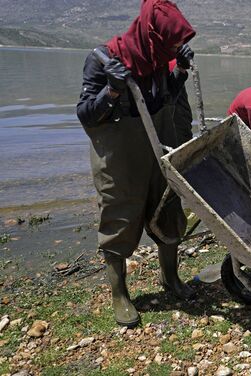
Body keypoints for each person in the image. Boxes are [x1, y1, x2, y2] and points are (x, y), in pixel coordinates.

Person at [76, 0, 196, 327]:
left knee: (168, 211)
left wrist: (179, 72)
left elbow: (163, 98)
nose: (175, 49)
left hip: (157, 152)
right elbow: (85, 113)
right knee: (119, 219)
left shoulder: (156, 59)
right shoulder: (101, 61)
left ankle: (170, 278)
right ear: (151, 35)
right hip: (120, 159)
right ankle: (120, 294)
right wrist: (112, 92)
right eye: (171, 43)